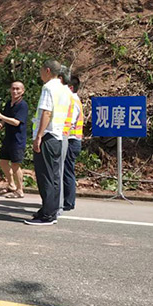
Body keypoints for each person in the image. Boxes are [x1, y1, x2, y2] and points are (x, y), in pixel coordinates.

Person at [26, 60, 72, 226]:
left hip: (47, 135)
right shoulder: (65, 89)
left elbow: (46, 112)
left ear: (47, 70)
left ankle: (47, 214)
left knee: (45, 176)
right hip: (57, 136)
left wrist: (39, 136)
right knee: (54, 176)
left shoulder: (48, 88)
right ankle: (50, 210)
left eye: (40, 70)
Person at [0, 82, 28, 199]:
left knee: (15, 164)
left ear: (23, 91)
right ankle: (11, 185)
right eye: (13, 89)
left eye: (18, 89)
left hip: (17, 139)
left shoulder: (23, 105)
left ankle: (20, 190)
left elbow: (16, 122)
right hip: (8, 138)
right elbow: (6, 118)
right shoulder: (9, 103)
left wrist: (1, 116)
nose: (15, 91)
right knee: (3, 162)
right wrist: (1, 124)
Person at [62, 73, 84, 211]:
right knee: (66, 171)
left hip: (71, 141)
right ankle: (66, 200)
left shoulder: (72, 102)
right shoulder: (74, 100)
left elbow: (69, 123)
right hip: (72, 140)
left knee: (67, 171)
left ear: (70, 87)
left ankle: (68, 202)